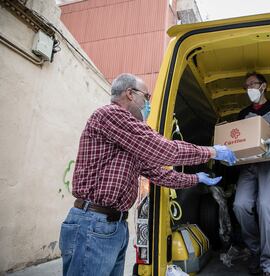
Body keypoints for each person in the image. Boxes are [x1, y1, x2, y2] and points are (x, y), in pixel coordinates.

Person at [59, 73, 236, 276]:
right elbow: (163, 150)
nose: (148, 104)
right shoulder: (110, 115)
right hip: (93, 223)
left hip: (113, 227)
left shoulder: (128, 140)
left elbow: (160, 174)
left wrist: (196, 179)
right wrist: (212, 151)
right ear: (130, 94)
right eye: (147, 96)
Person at [233, 72, 270, 276]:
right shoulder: (243, 114)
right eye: (246, 86)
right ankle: (256, 251)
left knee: (266, 204)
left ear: (263, 86)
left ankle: (269, 264)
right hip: (250, 164)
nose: (249, 88)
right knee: (240, 205)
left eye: (252, 84)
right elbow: (238, 140)